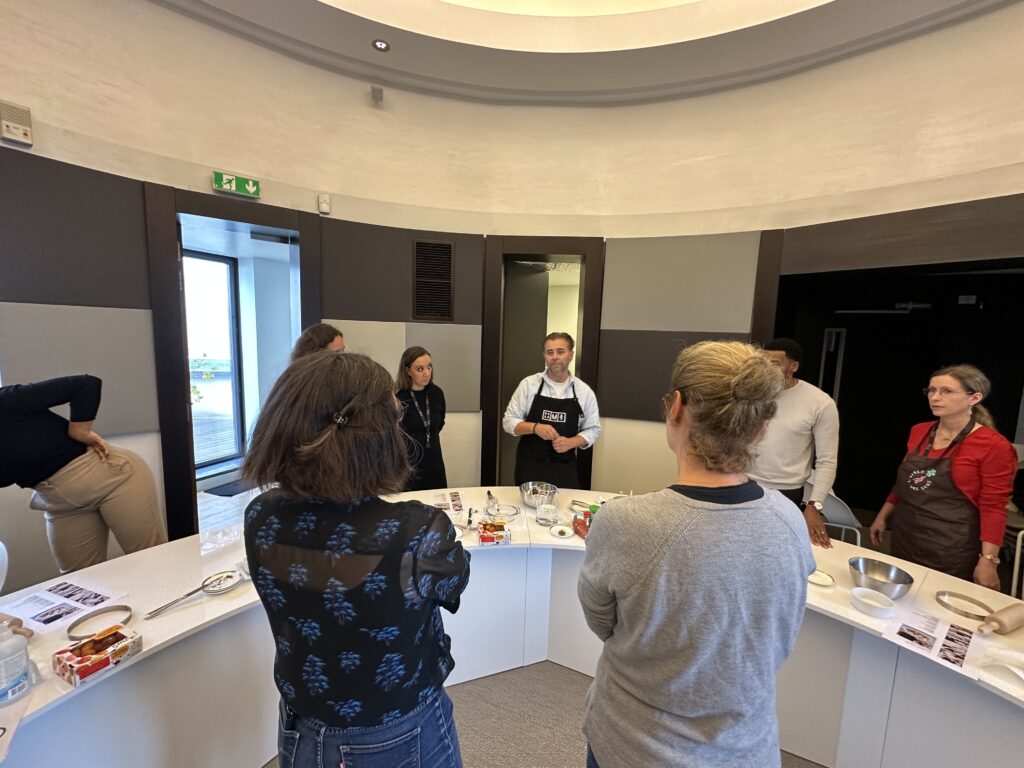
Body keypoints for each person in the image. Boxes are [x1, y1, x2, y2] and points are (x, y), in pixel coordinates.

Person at [578, 341, 813, 768]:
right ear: (761, 427)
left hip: (635, 746)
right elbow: (780, 636)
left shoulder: (627, 521)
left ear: (676, 408)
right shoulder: (789, 521)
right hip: (747, 750)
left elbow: (602, 623)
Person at [242, 351, 470, 768]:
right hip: (399, 729)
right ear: (379, 437)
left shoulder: (261, 515)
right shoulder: (417, 530)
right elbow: (454, 583)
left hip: (300, 723)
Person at [0, 374, 167, 573]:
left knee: (151, 564)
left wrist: (80, 430)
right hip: (58, 502)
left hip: (113, 478)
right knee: (78, 582)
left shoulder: (6, 400)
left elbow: (85, 384)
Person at [870, 364, 1016, 590]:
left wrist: (988, 560)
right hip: (907, 532)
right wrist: (882, 516)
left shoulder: (994, 445)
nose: (935, 397)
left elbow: (994, 507)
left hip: (951, 543)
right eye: (931, 390)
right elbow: (906, 482)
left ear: (974, 398)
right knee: (902, 593)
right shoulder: (920, 431)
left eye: (947, 391)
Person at [748, 338, 839, 549]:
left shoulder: (820, 403)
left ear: (794, 366)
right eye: (763, 363)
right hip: (745, 484)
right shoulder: (751, 395)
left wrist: (814, 505)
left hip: (786, 492)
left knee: (777, 550)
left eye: (774, 364)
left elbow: (827, 461)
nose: (767, 369)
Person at [501, 332, 601, 489]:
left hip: (564, 468)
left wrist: (571, 442)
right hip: (530, 467)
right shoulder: (529, 385)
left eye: (560, 351)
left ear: (570, 355)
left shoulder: (584, 391)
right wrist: (535, 427)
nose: (554, 357)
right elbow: (508, 422)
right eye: (550, 352)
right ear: (544, 356)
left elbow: (593, 429)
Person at [396, 346, 448, 491]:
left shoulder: (437, 393)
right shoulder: (399, 398)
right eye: (420, 369)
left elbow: (439, 423)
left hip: (435, 464)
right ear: (408, 371)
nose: (426, 373)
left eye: (429, 367)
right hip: (409, 466)